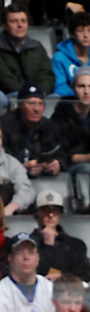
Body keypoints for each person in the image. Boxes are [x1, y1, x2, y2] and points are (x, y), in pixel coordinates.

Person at [0, 6, 55, 96]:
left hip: (38, 94)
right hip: (11, 95)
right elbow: (3, 79)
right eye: (14, 21)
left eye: (23, 21)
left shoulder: (37, 47)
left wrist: (38, 93)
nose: (20, 25)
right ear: (4, 26)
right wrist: (28, 94)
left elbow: (46, 75)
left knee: (56, 98)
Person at [4, 83, 63, 181]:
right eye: (31, 103)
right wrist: (22, 167)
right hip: (12, 178)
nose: (36, 109)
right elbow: (1, 159)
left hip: (44, 178)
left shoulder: (49, 126)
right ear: (20, 105)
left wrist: (57, 163)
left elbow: (61, 152)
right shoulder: (5, 125)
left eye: (40, 104)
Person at [29, 186, 90, 278]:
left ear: (60, 214)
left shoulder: (76, 245)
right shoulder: (28, 244)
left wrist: (62, 279)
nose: (51, 215)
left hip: (70, 291)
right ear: (38, 213)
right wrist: (48, 246)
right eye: (45, 210)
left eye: (55, 210)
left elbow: (84, 277)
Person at [57, 66, 90, 208]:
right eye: (81, 86)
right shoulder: (62, 113)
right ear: (73, 88)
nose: (86, 91)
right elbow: (62, 154)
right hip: (71, 167)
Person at [52, 11, 90, 97]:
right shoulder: (59, 58)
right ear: (72, 34)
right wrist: (80, 95)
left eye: (89, 30)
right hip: (71, 103)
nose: (86, 35)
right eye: (80, 31)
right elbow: (60, 87)